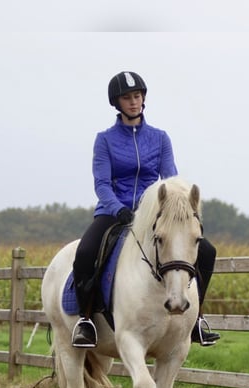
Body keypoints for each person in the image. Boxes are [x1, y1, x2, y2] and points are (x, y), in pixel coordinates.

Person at [71, 70, 220, 349]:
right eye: (127, 98)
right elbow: (102, 183)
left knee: (207, 251)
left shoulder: (160, 138)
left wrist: (178, 208)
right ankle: (86, 320)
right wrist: (118, 209)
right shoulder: (105, 140)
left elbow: (171, 179)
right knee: (85, 252)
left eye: (137, 96)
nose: (133, 102)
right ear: (117, 103)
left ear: (144, 99)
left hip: (155, 213)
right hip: (115, 212)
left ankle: (197, 318)